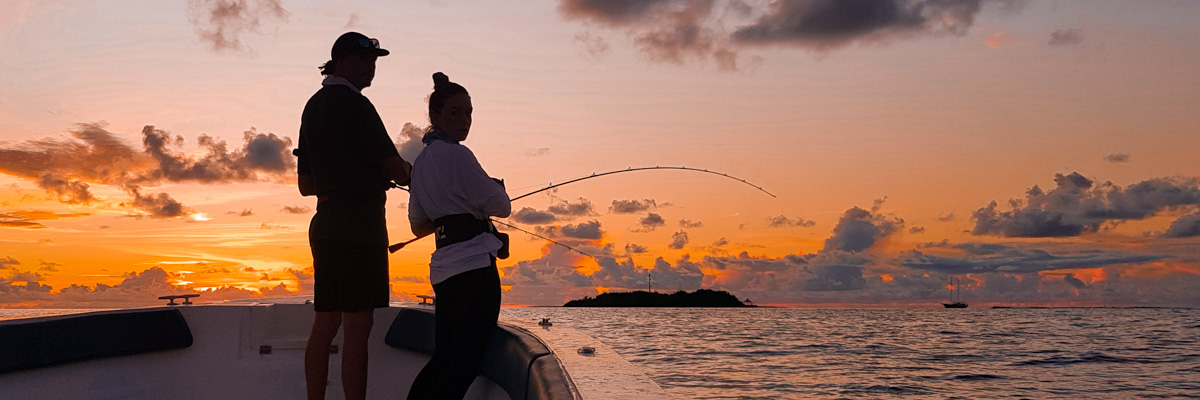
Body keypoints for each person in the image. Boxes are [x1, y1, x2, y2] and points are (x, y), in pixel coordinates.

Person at [295, 31, 412, 400]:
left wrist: (347, 174)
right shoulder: (359, 106)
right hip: (359, 227)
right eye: (365, 60)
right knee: (358, 327)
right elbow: (397, 169)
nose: (371, 66)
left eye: (374, 61)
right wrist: (409, 173)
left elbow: (306, 185)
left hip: (325, 225)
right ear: (341, 61)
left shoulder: (312, 107)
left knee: (325, 323)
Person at [406, 72, 510, 400]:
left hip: (444, 271)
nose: (464, 120)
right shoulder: (460, 155)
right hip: (475, 271)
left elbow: (418, 225)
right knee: (464, 366)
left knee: (443, 360)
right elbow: (501, 206)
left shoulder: (421, 163)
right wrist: (492, 188)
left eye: (469, 113)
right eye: (455, 113)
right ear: (434, 116)